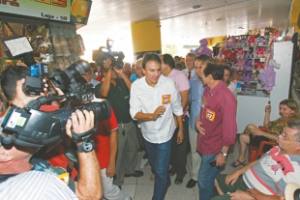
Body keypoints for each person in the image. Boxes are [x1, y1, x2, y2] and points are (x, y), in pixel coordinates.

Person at [0, 65, 101, 200]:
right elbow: (89, 195)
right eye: (29, 86)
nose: (39, 92)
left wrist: (61, 103)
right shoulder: (33, 186)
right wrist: (84, 141)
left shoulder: (37, 164)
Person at [130, 53, 184, 200]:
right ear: (143, 70)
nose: (156, 74)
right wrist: (151, 116)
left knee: (160, 170)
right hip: (148, 134)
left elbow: (177, 107)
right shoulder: (137, 86)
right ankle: (165, 181)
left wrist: (181, 129)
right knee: (155, 167)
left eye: (158, 70)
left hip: (166, 134)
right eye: (151, 70)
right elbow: (134, 113)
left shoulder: (168, 83)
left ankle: (157, 196)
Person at [212, 119, 300, 200]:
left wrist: (251, 197)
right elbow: (260, 161)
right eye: (281, 133)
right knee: (216, 179)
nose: (279, 136)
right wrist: (239, 172)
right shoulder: (279, 148)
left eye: (285, 136)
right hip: (244, 181)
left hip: (255, 195)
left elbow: (282, 198)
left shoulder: (295, 171)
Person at [99, 56, 142, 188]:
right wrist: (108, 73)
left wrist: (121, 73)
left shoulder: (121, 82)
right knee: (119, 152)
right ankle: (117, 179)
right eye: (111, 71)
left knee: (133, 148)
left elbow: (133, 89)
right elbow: (104, 93)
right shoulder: (103, 85)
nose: (114, 72)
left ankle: (130, 170)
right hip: (116, 126)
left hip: (129, 121)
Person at [196, 63, 237, 200]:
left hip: (216, 147)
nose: (199, 74)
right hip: (205, 141)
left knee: (203, 180)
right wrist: (198, 121)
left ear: (210, 77)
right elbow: (204, 108)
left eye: (202, 73)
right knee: (208, 178)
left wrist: (223, 153)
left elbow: (230, 129)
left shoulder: (226, 97)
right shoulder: (208, 89)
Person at [233, 99, 299, 167]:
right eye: (280, 108)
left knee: (249, 129)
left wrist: (261, 133)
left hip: (273, 144)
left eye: (284, 109)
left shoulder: (291, 123)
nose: (281, 111)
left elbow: (281, 139)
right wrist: (267, 112)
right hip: (267, 138)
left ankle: (243, 155)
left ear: (292, 111)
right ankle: (241, 158)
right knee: (243, 135)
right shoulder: (282, 119)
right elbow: (267, 126)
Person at [161, 53, 190, 184]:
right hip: (166, 119)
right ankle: (173, 167)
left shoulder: (179, 76)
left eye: (159, 62)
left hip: (179, 117)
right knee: (170, 146)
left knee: (180, 146)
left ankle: (181, 172)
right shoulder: (161, 77)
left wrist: (178, 117)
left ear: (166, 64)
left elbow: (184, 99)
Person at [186, 55, 209, 189]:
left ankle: (205, 176)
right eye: (196, 67)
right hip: (194, 120)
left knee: (208, 152)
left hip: (210, 122)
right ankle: (195, 176)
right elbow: (189, 98)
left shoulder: (214, 82)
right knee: (194, 150)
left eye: (201, 66)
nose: (198, 69)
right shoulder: (193, 81)